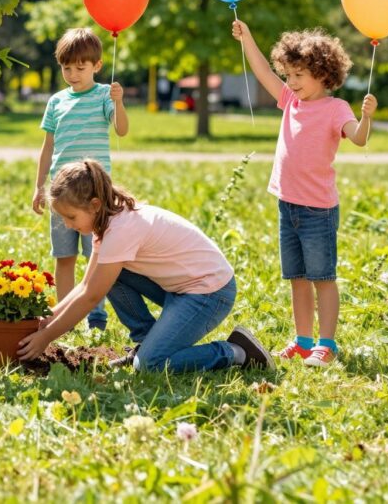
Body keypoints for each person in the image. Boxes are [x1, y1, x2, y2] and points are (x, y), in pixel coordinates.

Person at [18, 160, 272, 371]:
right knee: (109, 275)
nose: (68, 225)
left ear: (95, 205)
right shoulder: (107, 220)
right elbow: (86, 284)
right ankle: (147, 340)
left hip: (210, 293)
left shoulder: (122, 229)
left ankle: (236, 351)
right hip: (181, 289)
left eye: (71, 217)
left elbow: (90, 296)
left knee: (150, 365)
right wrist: (47, 319)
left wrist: (46, 338)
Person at [232, 20, 375, 367]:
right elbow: (263, 71)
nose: (291, 83)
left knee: (322, 278)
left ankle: (326, 344)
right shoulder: (289, 100)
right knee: (296, 278)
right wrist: (248, 37)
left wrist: (366, 117)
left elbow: (359, 138)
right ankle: (303, 341)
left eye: (299, 76)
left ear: (323, 75)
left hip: (319, 211)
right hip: (288, 206)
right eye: (289, 75)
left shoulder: (336, 108)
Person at [31, 27, 129, 332]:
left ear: (97, 66)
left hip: (93, 195)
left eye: (80, 68)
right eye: (66, 67)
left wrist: (119, 102)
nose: (73, 74)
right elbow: (48, 148)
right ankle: (64, 317)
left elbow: (121, 130)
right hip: (61, 195)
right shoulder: (56, 102)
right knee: (64, 256)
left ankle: (96, 317)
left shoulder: (103, 95)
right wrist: (39, 187)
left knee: (95, 256)